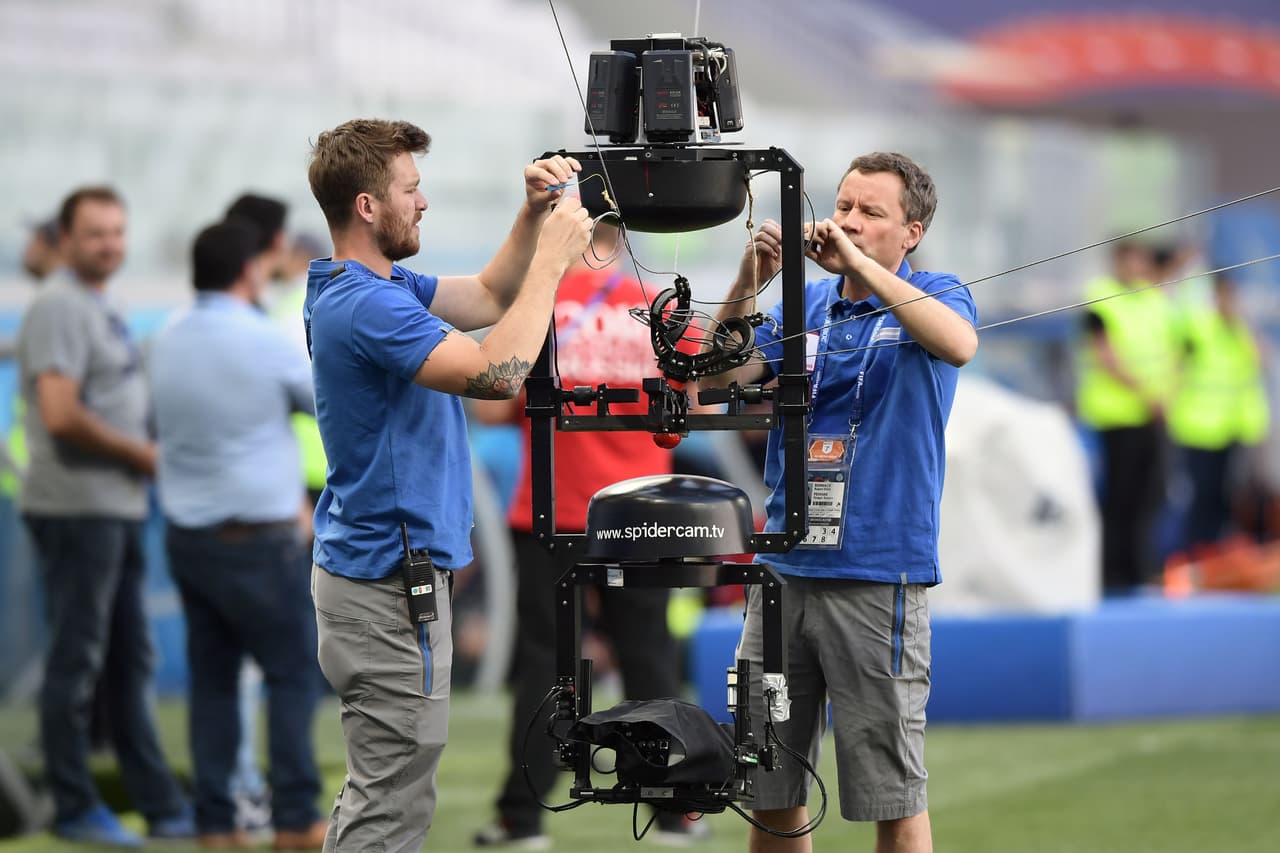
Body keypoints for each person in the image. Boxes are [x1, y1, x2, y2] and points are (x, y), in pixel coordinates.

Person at [303, 118, 592, 852]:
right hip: (383, 589)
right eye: (411, 188)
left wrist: (531, 217)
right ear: (368, 206)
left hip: (381, 581)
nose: (423, 201)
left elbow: (494, 294)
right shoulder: (368, 303)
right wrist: (557, 263)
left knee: (390, 793)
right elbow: (497, 370)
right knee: (389, 806)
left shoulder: (378, 285)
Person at [704, 152, 977, 853]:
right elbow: (722, 371)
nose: (847, 221)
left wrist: (858, 264)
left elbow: (959, 344)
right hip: (784, 569)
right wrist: (747, 282)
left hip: (877, 573)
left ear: (910, 232)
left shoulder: (938, 291)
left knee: (892, 793)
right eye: (844, 205)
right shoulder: (807, 303)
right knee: (771, 786)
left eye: (870, 213)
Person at [470, 223, 709, 848]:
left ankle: (521, 820)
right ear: (623, 237)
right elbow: (689, 412)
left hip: (553, 514)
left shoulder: (540, 305)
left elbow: (492, 405)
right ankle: (672, 811)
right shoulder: (664, 314)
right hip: (642, 513)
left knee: (546, 668)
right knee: (649, 658)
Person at [16, 186, 194, 847]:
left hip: (113, 508)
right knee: (79, 662)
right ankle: (72, 805)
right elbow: (60, 414)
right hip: (78, 509)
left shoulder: (99, 303)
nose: (111, 244)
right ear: (65, 238)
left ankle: (161, 803)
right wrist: (144, 455)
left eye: (118, 232)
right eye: (96, 233)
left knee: (128, 659)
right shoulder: (60, 304)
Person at [150, 219, 326, 850]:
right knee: (288, 678)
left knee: (213, 683)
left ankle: (217, 824)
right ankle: (296, 819)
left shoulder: (164, 340)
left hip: (189, 538)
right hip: (261, 540)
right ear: (250, 269)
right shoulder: (261, 338)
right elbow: (322, 402)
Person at [1075, 241, 1179, 591]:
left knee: (1147, 497)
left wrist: (1167, 393)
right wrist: (1147, 393)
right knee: (1117, 499)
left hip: (1152, 415)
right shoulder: (1101, 297)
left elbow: (1172, 350)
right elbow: (1105, 354)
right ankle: (1112, 573)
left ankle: (1140, 569)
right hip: (1116, 417)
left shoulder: (1153, 300)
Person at [1168, 273, 1269, 552]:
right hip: (1198, 427)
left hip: (1231, 427)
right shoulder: (1198, 328)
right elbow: (1177, 361)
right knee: (1202, 499)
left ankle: (1217, 559)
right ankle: (1195, 557)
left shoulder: (1238, 329)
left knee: (1227, 500)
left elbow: (1260, 360)